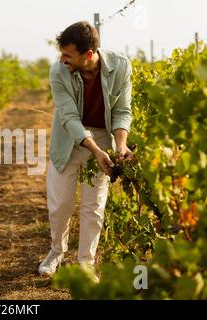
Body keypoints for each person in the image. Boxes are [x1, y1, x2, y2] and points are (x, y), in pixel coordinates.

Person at [39, 21, 133, 278]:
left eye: (68, 54)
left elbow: (123, 111)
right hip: (68, 139)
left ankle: (86, 262)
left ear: (88, 55)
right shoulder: (58, 71)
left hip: (103, 139)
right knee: (60, 204)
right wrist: (93, 149)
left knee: (94, 206)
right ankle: (56, 252)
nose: (62, 59)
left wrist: (120, 144)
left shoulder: (120, 66)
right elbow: (68, 117)